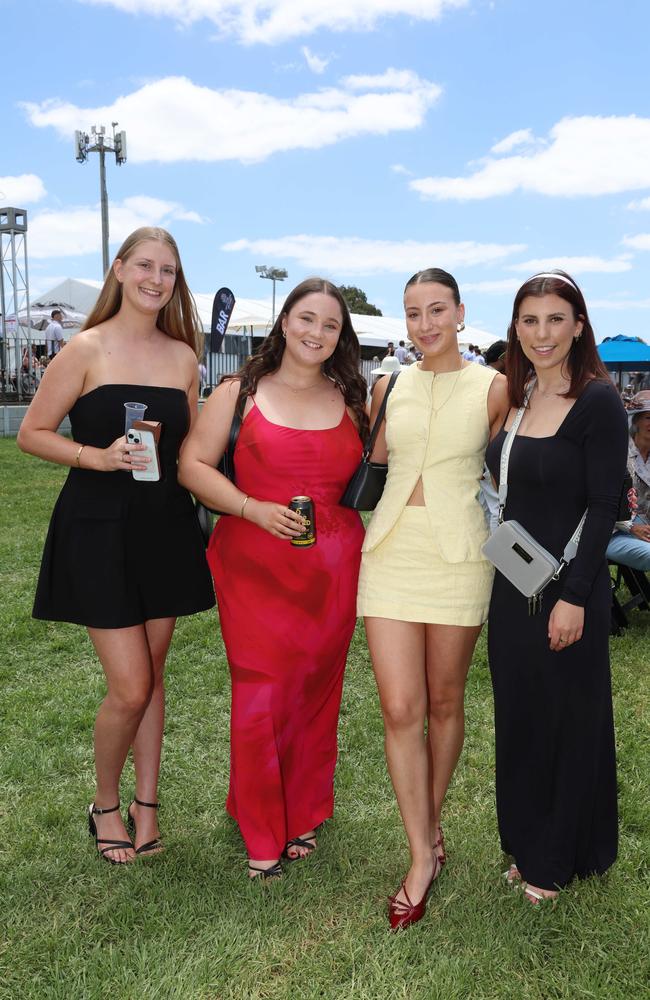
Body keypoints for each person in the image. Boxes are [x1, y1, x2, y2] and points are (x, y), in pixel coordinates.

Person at [17, 227, 215, 864]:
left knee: (154, 679)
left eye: (169, 270)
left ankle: (146, 807)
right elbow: (31, 433)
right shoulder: (84, 349)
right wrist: (96, 457)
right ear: (121, 269)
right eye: (146, 266)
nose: (157, 279)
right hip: (98, 528)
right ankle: (105, 803)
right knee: (130, 685)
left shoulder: (185, 357)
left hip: (165, 528)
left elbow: (187, 454)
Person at [178, 277, 368, 880]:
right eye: (306, 318)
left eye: (330, 325)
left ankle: (304, 808)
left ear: (341, 336)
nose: (316, 332)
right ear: (285, 321)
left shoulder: (352, 399)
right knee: (260, 689)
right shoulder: (239, 392)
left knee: (315, 689)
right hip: (255, 558)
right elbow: (191, 465)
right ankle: (262, 830)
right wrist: (251, 508)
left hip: (333, 567)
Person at [357, 268, 509, 930]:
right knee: (400, 708)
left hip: (461, 555)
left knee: (445, 703)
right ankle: (422, 855)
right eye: (413, 313)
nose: (424, 324)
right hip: (389, 550)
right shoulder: (388, 385)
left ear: (460, 313)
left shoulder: (497, 386)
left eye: (436, 310)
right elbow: (374, 461)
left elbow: (513, 469)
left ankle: (430, 822)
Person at [486, 270, 628, 904]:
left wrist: (574, 595)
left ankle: (560, 855)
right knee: (520, 716)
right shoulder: (514, 398)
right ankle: (525, 841)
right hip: (512, 584)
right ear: (516, 328)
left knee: (568, 719)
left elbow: (604, 506)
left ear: (578, 325)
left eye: (554, 320)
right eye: (529, 320)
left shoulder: (598, 400)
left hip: (572, 589)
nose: (541, 334)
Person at [606, 391, 650, 570]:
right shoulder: (616, 453)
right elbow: (599, 502)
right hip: (612, 533)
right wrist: (631, 526)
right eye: (648, 417)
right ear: (636, 421)